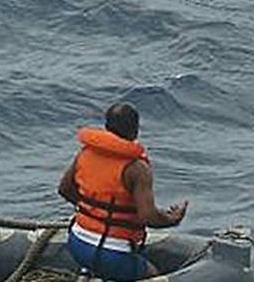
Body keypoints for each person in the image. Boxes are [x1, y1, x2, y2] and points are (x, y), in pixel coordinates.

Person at [57, 103, 188, 281]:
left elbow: (64, 189)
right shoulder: (136, 168)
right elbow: (148, 217)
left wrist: (95, 212)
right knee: (152, 276)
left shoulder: (86, 153)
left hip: (77, 243)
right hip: (111, 253)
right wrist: (172, 219)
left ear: (107, 126)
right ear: (135, 130)